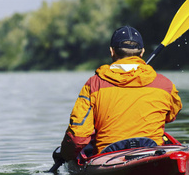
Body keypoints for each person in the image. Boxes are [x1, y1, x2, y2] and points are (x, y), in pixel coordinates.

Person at [59, 26, 182, 162]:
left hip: (107, 156)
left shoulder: (93, 84)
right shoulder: (165, 84)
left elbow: (78, 137)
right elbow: (171, 115)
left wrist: (64, 155)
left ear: (112, 51)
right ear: (142, 52)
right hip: (152, 151)